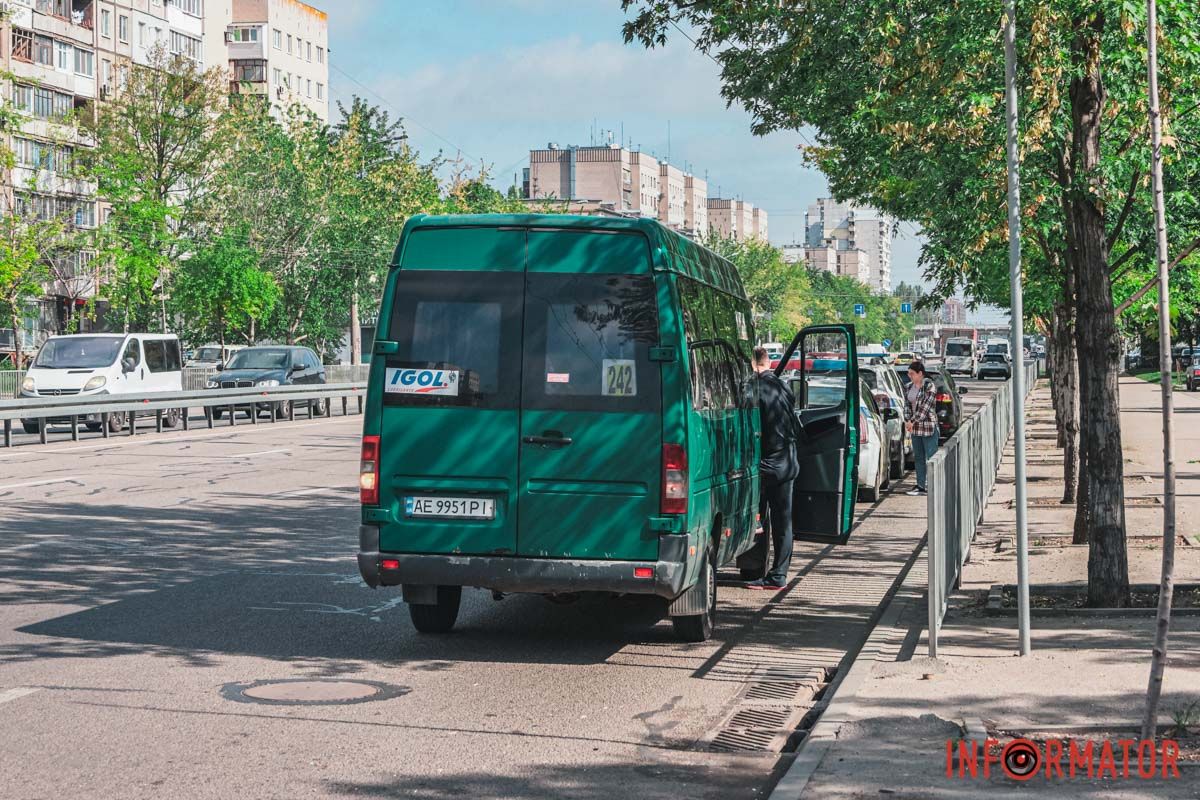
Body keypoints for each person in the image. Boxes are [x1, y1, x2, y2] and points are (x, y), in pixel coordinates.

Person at [745, 346, 799, 590]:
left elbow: (748, 427)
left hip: (767, 463)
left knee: (752, 507)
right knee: (783, 521)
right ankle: (778, 575)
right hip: (788, 461)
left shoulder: (756, 388)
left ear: (753, 365)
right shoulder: (783, 386)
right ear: (767, 362)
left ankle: (751, 529)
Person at [905, 360, 939, 496]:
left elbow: (925, 407)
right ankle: (920, 485)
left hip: (927, 426)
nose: (910, 376)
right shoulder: (908, 387)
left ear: (920, 374)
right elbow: (906, 405)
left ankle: (933, 485)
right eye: (909, 374)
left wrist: (912, 421)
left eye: (912, 373)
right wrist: (907, 420)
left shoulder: (929, 386)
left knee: (931, 457)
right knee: (918, 457)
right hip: (914, 428)